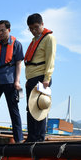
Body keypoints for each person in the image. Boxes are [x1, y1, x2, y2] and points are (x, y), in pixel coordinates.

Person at [24, 13, 57, 142]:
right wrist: (28, 80)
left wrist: (47, 78)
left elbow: (50, 59)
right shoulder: (34, 41)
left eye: (36, 27)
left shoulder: (49, 38)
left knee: (39, 108)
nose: (33, 31)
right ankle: (31, 136)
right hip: (31, 77)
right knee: (30, 108)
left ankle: (39, 138)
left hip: (41, 77)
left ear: (42, 24)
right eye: (30, 28)